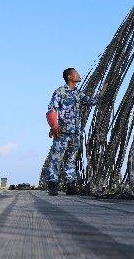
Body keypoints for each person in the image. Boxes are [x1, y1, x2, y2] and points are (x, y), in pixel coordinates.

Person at [45, 68, 107, 196]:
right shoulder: (60, 91)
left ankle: (71, 185)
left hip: (76, 132)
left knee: (71, 159)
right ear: (70, 77)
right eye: (76, 73)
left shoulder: (79, 94)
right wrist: (54, 125)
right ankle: (52, 184)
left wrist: (102, 92)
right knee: (56, 158)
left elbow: (92, 102)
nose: (79, 75)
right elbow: (52, 108)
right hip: (62, 131)